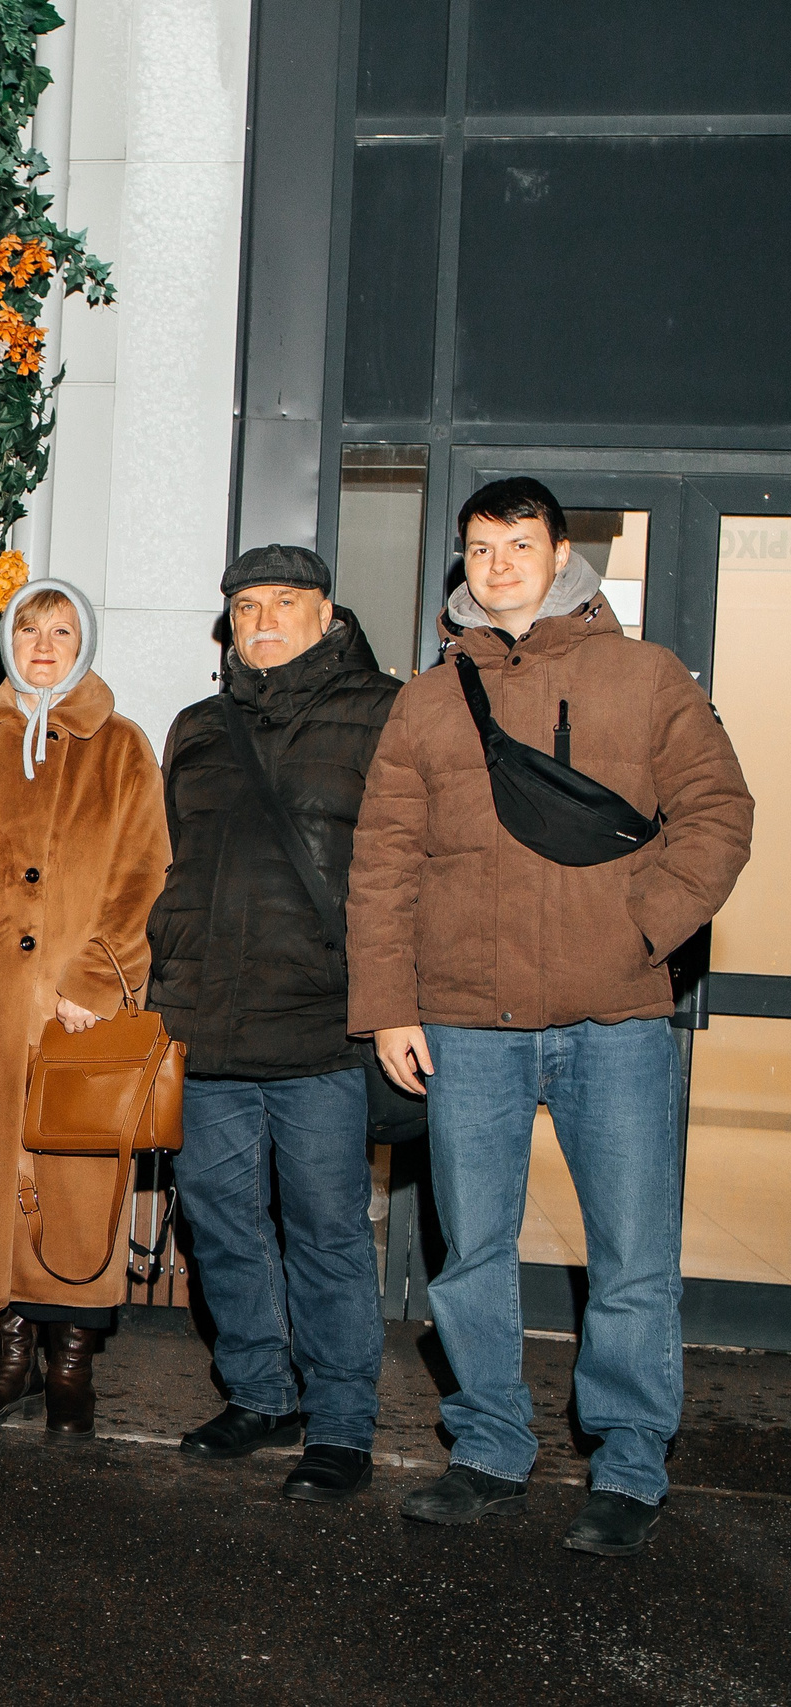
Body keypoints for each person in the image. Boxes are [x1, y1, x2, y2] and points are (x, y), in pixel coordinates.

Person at [351, 477, 752, 1557]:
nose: (496, 565)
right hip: (468, 1020)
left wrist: (641, 928)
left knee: (630, 1255)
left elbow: (718, 812)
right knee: (468, 1251)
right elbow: (383, 862)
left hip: (613, 1019)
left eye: (517, 544)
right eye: (479, 548)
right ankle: (486, 1447)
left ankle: (628, 1461)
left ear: (560, 552)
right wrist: (388, 1005)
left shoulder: (643, 675)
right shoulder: (429, 700)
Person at [150, 544, 399, 1502]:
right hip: (210, 1020)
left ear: (325, 611)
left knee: (327, 1230)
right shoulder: (199, 728)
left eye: (282, 602)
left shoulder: (381, 712)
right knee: (217, 1219)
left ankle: (340, 1422)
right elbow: (182, 860)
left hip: (322, 1024)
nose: (261, 618)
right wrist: (170, 956)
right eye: (246, 604)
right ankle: (261, 1390)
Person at [0, 579, 168, 1441]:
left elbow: (145, 873)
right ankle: (9, 1359)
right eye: (28, 628)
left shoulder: (123, 746)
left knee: (75, 1179)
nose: (42, 642)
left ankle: (72, 1363)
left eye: (61, 629)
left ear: (86, 642)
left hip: (81, 1009)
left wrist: (99, 980)